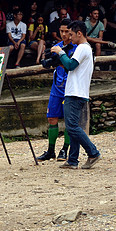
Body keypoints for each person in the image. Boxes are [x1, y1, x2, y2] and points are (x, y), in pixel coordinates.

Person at [50, 20, 101, 169]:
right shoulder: (86, 49)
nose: (69, 37)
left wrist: (61, 53)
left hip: (75, 92)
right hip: (78, 91)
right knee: (73, 127)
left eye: (71, 34)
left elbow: (71, 65)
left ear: (79, 33)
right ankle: (72, 160)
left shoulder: (81, 48)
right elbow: (72, 68)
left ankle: (93, 152)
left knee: (72, 127)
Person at [37, 18, 75, 161]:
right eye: (61, 31)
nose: (64, 34)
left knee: (68, 120)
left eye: (67, 31)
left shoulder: (76, 47)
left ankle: (65, 149)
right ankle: (50, 150)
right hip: (56, 87)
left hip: (70, 88)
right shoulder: (56, 46)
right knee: (52, 118)